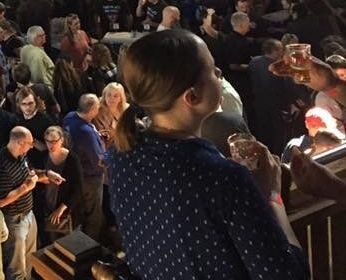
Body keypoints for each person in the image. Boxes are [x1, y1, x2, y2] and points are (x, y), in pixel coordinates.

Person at [106, 29, 307, 279]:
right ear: (192, 96)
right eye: (213, 70)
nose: (220, 74)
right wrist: (271, 196)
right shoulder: (222, 177)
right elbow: (288, 274)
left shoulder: (120, 155)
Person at [0, 126, 62, 280]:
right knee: (16, 267)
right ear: (20, 143)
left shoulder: (21, 156)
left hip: (28, 215)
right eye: (29, 143)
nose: (32, 146)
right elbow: (0, 201)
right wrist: (26, 188)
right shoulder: (1, 165)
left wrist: (47, 174)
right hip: (14, 221)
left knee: (29, 260)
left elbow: (30, 174)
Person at [62, 94, 105, 240]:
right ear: (92, 110)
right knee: (93, 215)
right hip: (90, 179)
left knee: (79, 212)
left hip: (74, 175)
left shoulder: (69, 117)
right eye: (97, 108)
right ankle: (90, 246)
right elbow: (99, 160)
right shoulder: (86, 133)